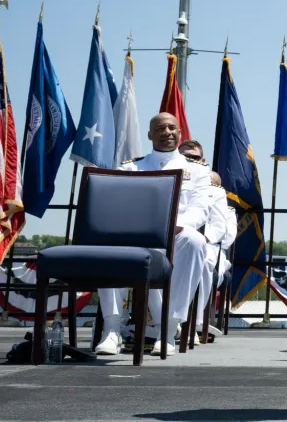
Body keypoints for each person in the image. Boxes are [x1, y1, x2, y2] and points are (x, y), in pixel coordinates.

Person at [93, 114, 217, 357]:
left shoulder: (198, 171)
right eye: (160, 128)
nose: (167, 132)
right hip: (135, 234)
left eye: (172, 128)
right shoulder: (130, 168)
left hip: (175, 234)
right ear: (150, 134)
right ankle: (112, 328)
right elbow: (118, 205)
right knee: (106, 242)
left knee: (195, 241)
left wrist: (171, 227)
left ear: (179, 134)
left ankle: (169, 329)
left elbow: (200, 209)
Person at [175, 140, 236, 343]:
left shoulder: (214, 190)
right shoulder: (168, 176)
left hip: (204, 242)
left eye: (192, 158)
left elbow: (220, 227)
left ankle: (193, 320)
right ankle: (159, 320)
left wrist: (199, 237)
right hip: (169, 238)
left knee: (204, 262)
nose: (188, 161)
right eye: (184, 156)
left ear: (202, 160)